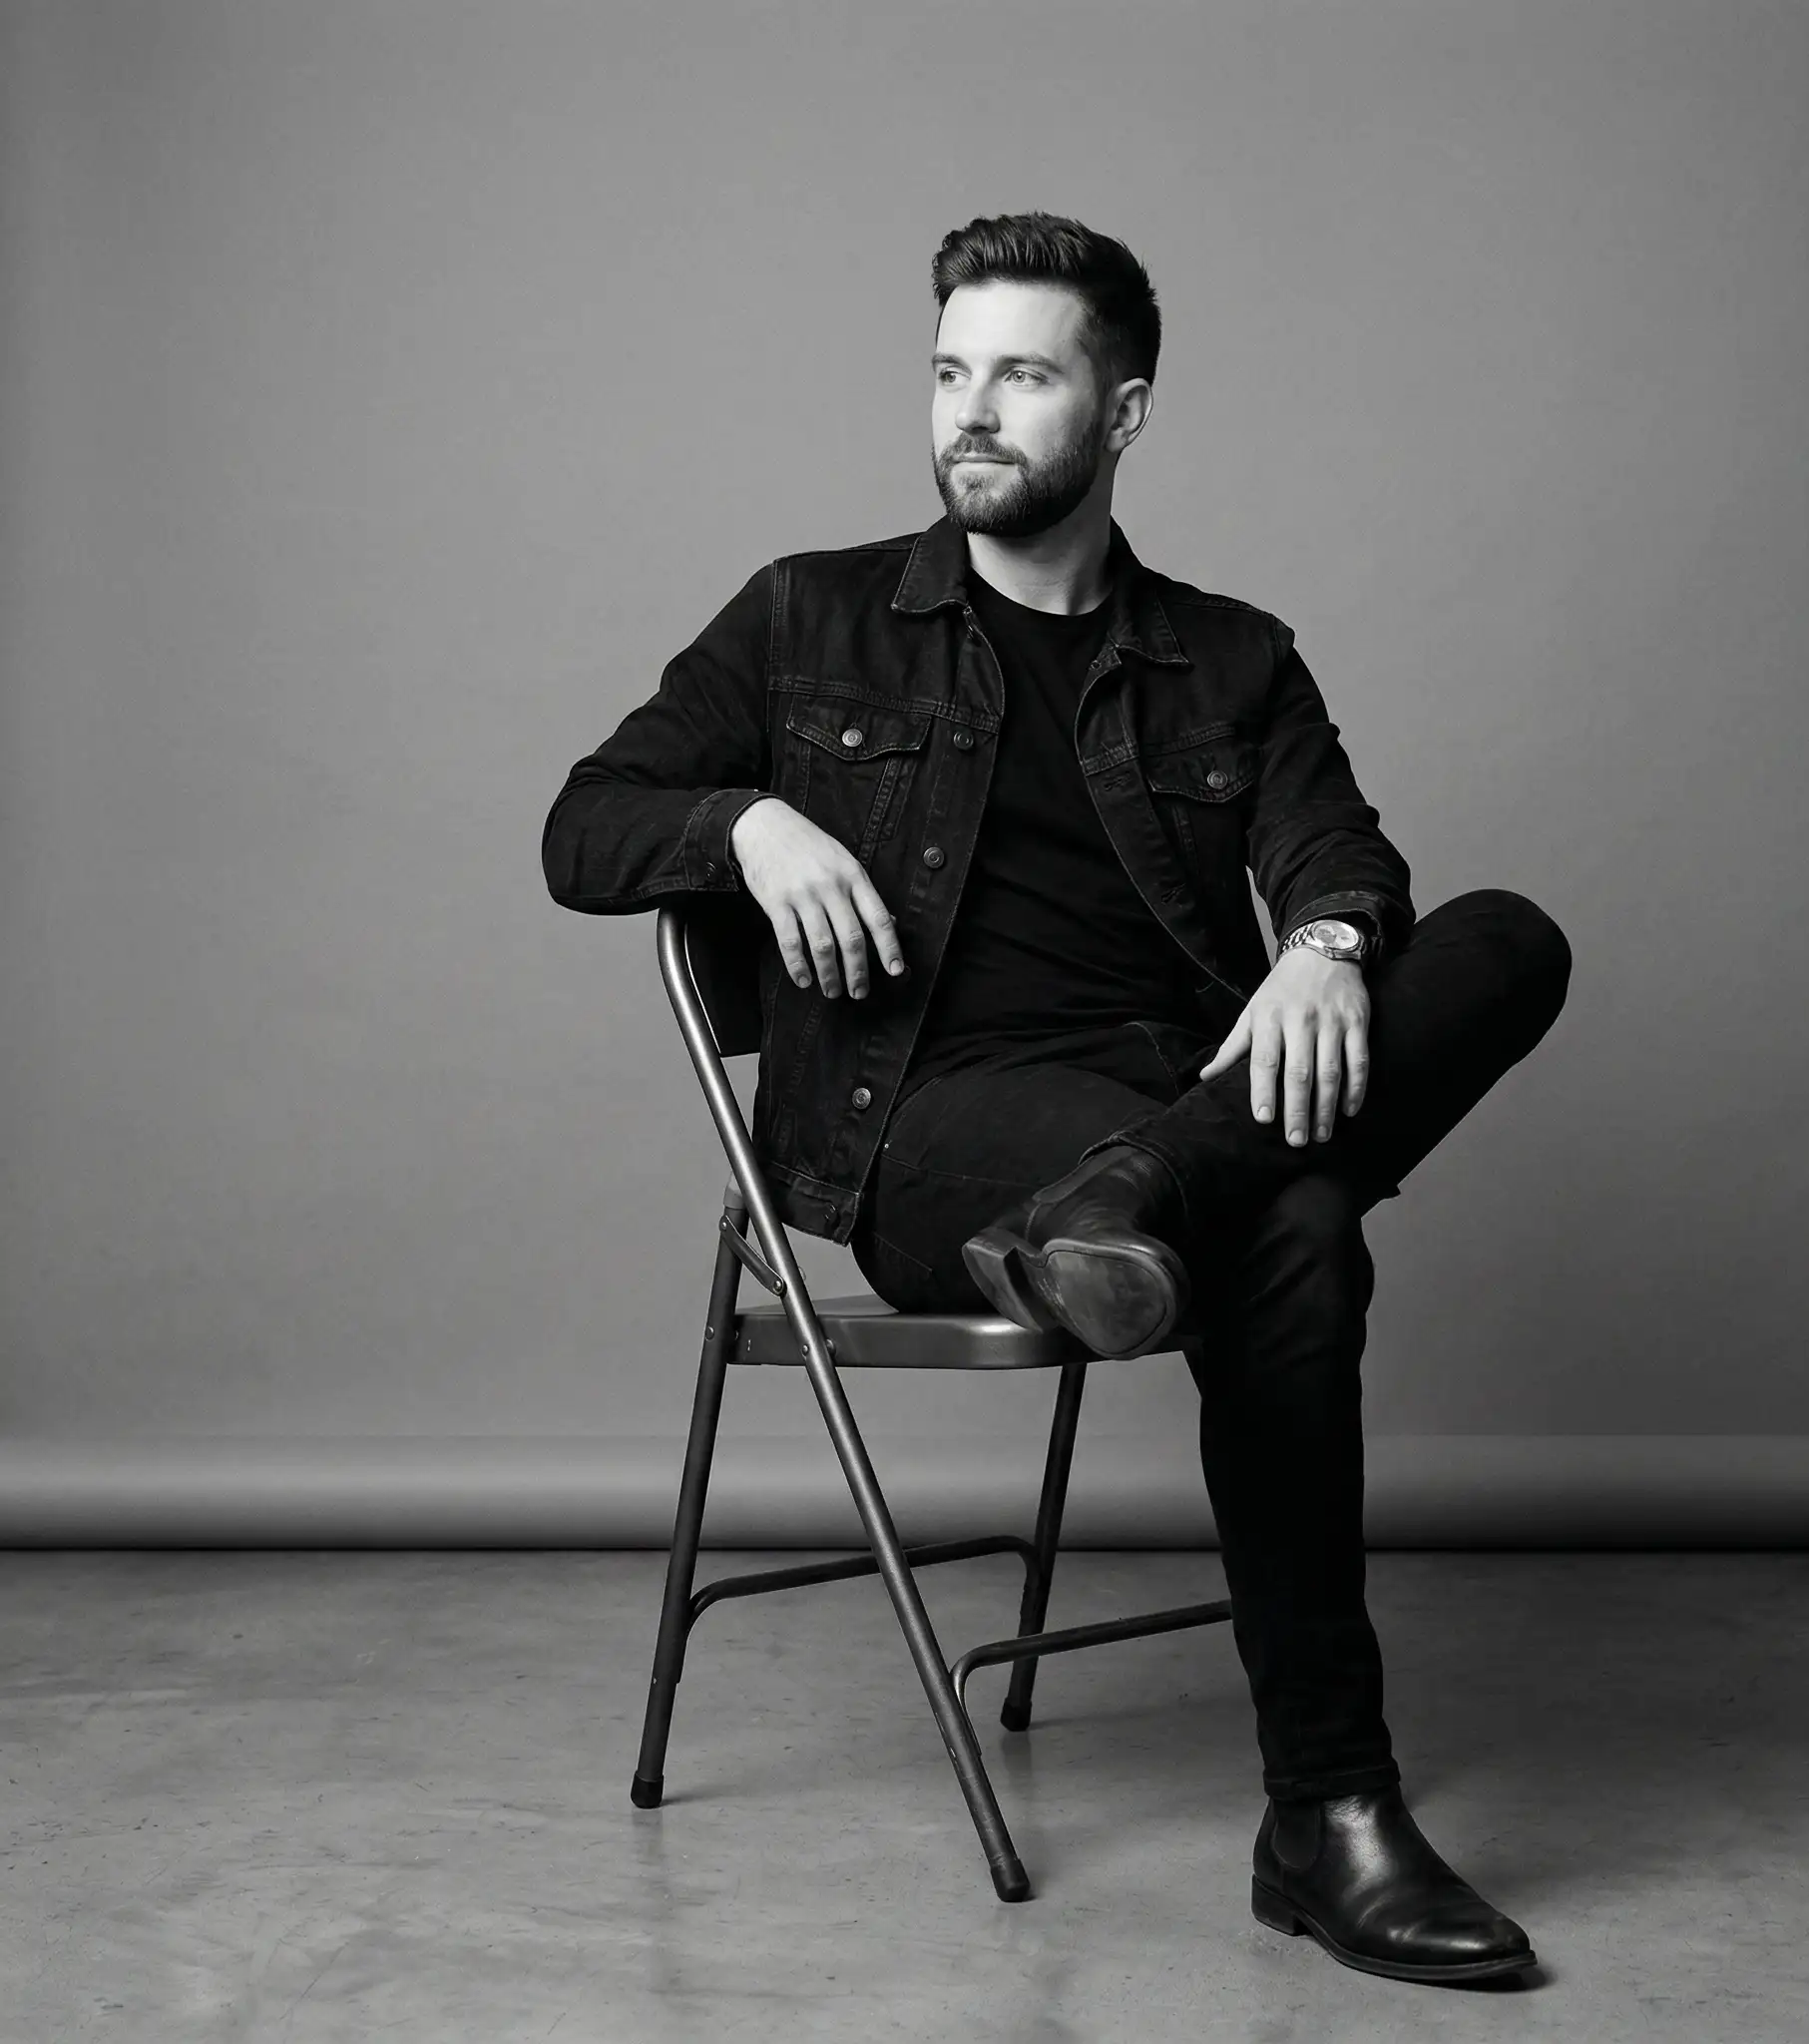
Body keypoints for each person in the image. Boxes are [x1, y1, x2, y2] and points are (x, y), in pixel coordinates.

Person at [542, 211, 1572, 1987]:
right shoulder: (809, 617)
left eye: (1021, 373)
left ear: (1126, 409)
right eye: (950, 371)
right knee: (1299, 1226)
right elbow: (582, 825)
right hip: (918, 1133)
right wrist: (750, 821)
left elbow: (1342, 846)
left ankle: (1147, 1200)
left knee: (1508, 939)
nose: (971, 412)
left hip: (1166, 1107)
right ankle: (1330, 1812)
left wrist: (1325, 939)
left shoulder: (1230, 655)